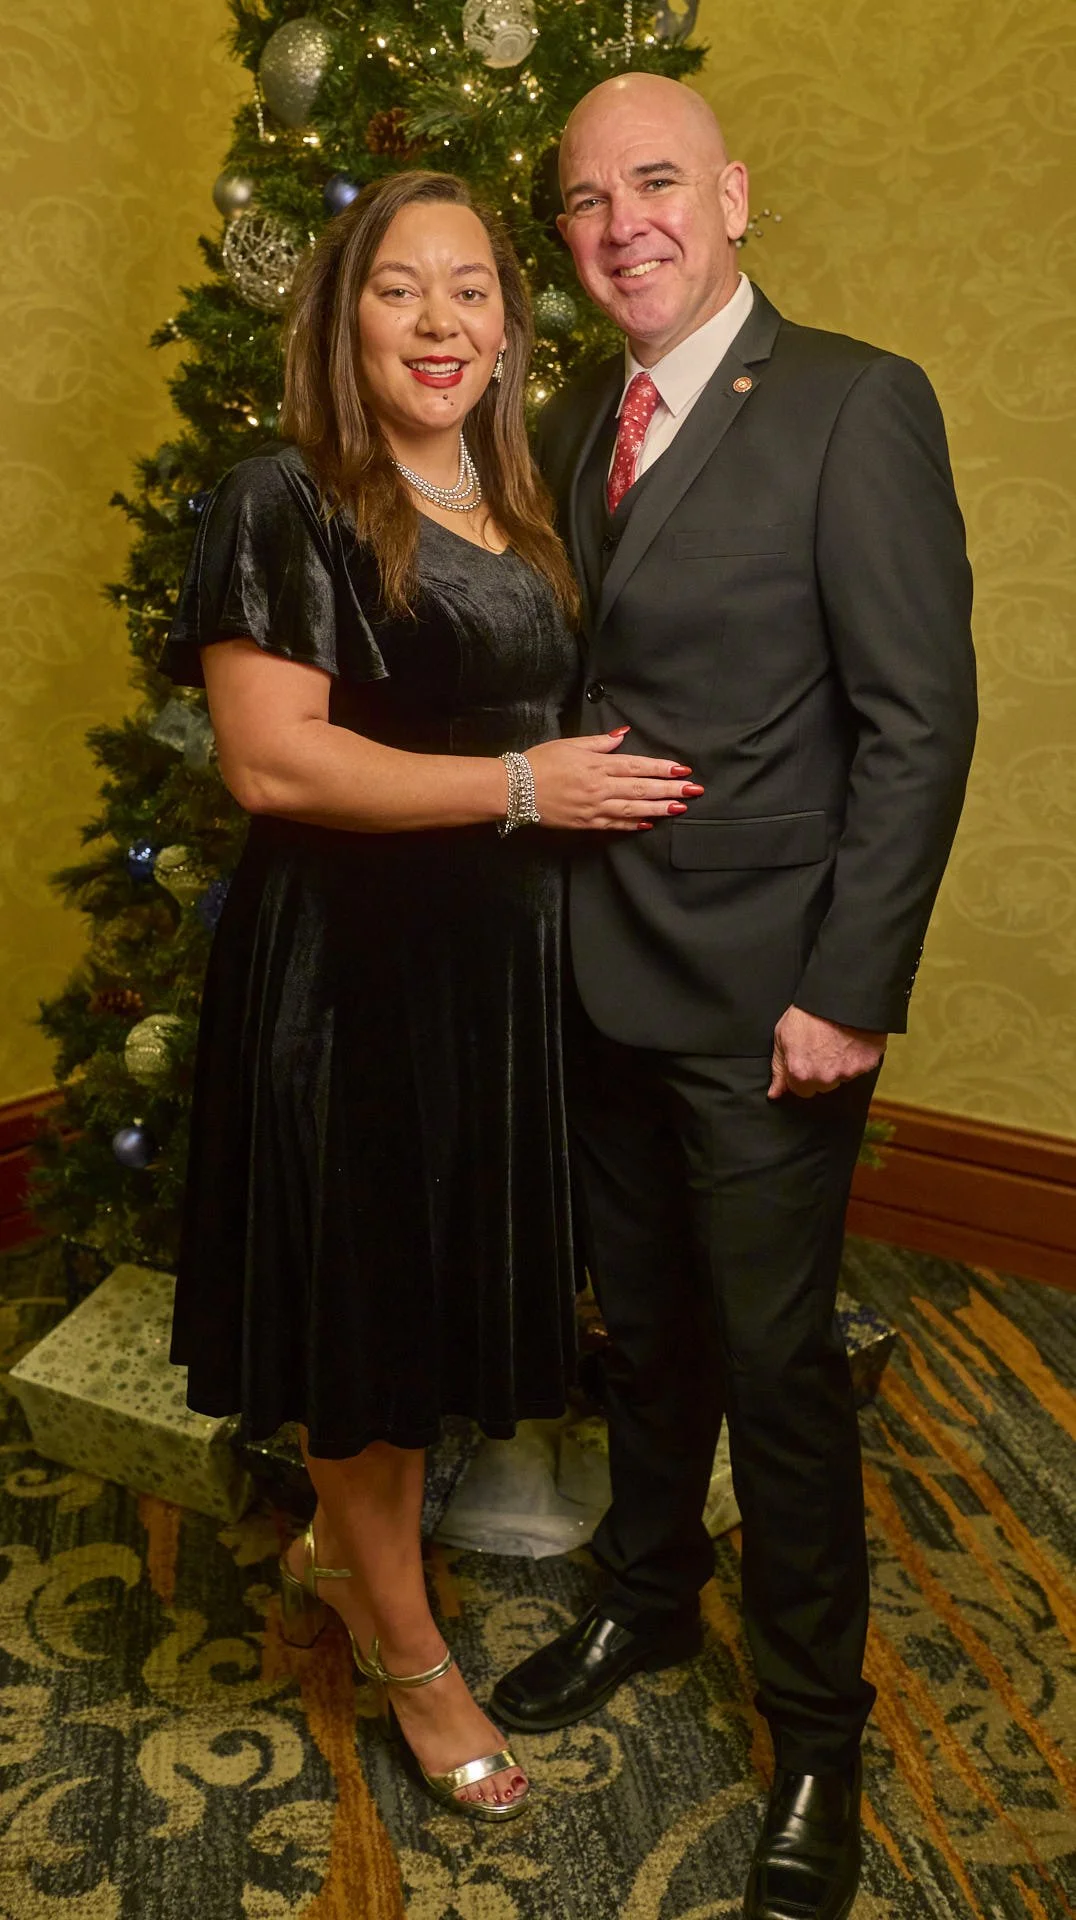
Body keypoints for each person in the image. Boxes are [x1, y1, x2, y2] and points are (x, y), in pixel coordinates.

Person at [489, 75, 977, 1913]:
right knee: (645, 1336)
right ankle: (646, 1602)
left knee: (777, 1374)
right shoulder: (564, 416)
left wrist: (849, 990)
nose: (624, 222)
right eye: (588, 196)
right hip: (593, 972)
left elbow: (917, 722)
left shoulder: (855, 401)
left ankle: (817, 1735)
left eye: (659, 182)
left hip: (774, 1000)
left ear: (735, 196)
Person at [159, 169, 694, 1822]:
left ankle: (345, 1550)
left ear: (512, 328)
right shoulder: (284, 495)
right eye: (401, 288)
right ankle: (406, 1648)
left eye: (473, 290)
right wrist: (525, 790)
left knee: (428, 1302)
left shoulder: (518, 505)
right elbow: (271, 761)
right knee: (367, 1315)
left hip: (495, 979)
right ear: (346, 318)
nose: (441, 321)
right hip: (352, 977)